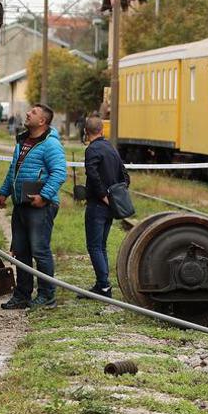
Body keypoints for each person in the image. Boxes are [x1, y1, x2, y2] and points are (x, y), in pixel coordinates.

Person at [0, 103, 68, 310]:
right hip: (21, 205)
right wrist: (4, 191)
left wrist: (44, 197)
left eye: (33, 112)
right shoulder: (23, 141)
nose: (28, 113)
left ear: (42, 121)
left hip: (41, 207)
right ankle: (22, 295)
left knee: (40, 251)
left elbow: (59, 173)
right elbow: (13, 170)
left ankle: (47, 296)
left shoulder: (50, 144)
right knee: (21, 251)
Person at [81, 114, 127, 299]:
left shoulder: (92, 150)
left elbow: (92, 174)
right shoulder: (111, 148)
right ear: (102, 130)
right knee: (101, 246)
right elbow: (125, 175)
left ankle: (104, 287)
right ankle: (103, 284)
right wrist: (116, 195)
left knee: (94, 246)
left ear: (86, 132)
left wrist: (103, 195)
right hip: (110, 207)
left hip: (97, 205)